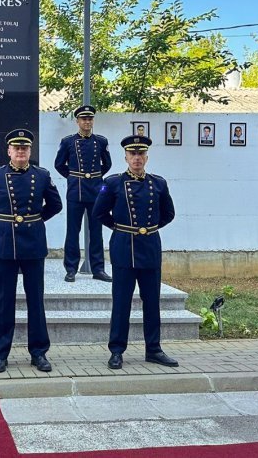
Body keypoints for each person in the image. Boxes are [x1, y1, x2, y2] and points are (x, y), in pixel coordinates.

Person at [0, 129, 62, 374]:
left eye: (25, 148)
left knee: (36, 300)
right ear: (9, 151)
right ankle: (1, 354)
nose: (21, 151)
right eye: (17, 148)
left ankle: (39, 353)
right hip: (5, 243)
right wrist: (0, 221)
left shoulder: (42, 176)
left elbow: (56, 204)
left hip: (33, 243)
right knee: (4, 301)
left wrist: (36, 219)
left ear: (30, 151)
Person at [93, 135, 179, 370]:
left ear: (146, 157)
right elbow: (99, 213)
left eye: (141, 154)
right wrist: (121, 229)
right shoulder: (113, 183)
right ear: (126, 157)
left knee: (152, 301)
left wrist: (147, 229)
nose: (137, 158)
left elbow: (168, 214)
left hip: (150, 247)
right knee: (121, 302)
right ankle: (117, 350)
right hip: (124, 248)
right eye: (133, 154)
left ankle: (154, 349)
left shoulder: (158, 183)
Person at [54, 105, 112, 283]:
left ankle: (98, 269)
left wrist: (94, 177)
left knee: (96, 231)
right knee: (73, 230)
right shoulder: (68, 142)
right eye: (83, 119)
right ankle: (70, 269)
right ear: (77, 121)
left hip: (95, 190)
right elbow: (59, 164)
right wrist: (73, 178)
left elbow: (107, 165)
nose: (87, 122)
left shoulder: (101, 141)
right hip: (76, 191)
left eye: (90, 119)